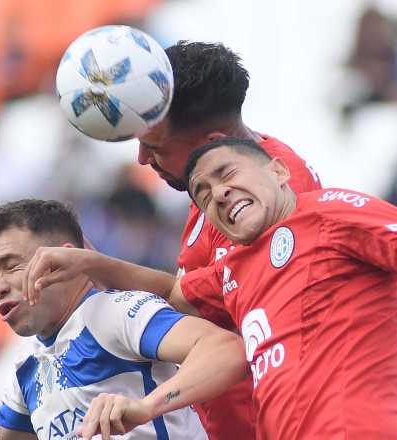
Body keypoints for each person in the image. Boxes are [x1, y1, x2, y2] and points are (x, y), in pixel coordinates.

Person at [23, 139, 397, 439]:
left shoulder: (330, 214)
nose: (218, 194)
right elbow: (175, 292)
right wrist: (89, 262)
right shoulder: (237, 269)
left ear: (277, 170)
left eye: (227, 174)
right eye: (204, 195)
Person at [134, 40, 322, 440]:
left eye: (153, 147)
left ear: (210, 142)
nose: (142, 159)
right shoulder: (220, 178)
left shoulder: (263, 197)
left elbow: (226, 320)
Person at [0, 199, 247, 440]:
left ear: (61, 260)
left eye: (11, 266)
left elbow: (226, 349)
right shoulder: (29, 368)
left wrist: (147, 407)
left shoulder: (110, 313)